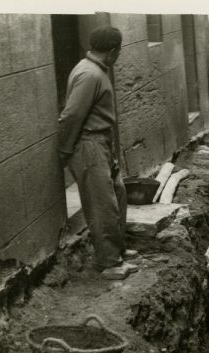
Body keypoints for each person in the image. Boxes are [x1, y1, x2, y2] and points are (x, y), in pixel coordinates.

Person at [58, 25, 138, 280]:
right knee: (102, 204)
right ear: (114, 51)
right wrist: (66, 149)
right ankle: (109, 263)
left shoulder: (96, 70)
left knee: (118, 194)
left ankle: (118, 250)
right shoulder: (89, 74)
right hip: (89, 144)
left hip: (101, 143)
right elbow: (71, 116)